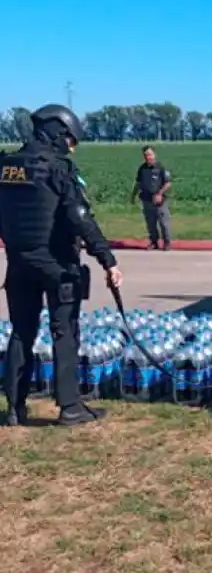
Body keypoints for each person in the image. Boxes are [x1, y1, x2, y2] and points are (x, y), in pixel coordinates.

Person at [0, 103, 124, 427]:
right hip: (57, 265)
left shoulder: (6, 167)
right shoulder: (58, 170)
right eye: (71, 140)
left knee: (21, 333)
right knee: (65, 332)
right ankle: (70, 407)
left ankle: (14, 407)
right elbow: (80, 219)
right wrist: (107, 260)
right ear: (57, 133)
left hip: (18, 263)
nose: (72, 147)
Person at [130, 145, 172, 251]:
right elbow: (138, 183)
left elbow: (167, 183)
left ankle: (167, 242)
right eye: (145, 155)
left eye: (149, 154)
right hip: (146, 200)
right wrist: (133, 195)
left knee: (163, 223)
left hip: (159, 201)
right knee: (150, 223)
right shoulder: (142, 168)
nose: (148, 157)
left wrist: (159, 194)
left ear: (154, 154)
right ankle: (154, 242)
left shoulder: (161, 167)